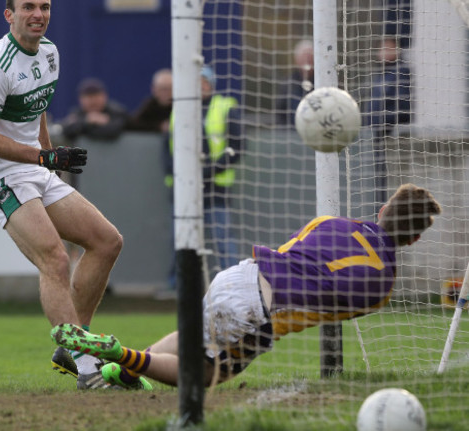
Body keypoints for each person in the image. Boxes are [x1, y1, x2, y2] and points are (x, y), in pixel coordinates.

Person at [52, 183, 441, 389]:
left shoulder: (331, 222)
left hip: (241, 273)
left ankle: (124, 375)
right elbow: (329, 303)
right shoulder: (382, 287)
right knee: (206, 376)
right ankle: (121, 354)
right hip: (261, 313)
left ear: (383, 209)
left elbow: (300, 247)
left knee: (194, 334)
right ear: (415, 239)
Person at [0, 0, 124, 390]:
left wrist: (48, 157)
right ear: (10, 15)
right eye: (29, 8)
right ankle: (87, 368)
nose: (38, 14)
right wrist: (42, 157)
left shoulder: (50, 52)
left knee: (107, 241)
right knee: (54, 259)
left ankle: (74, 346)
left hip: (34, 168)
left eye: (45, 7)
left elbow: (38, 107)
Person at [164, 65, 243, 286]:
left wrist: (210, 170)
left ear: (211, 85)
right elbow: (167, 147)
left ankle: (233, 283)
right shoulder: (179, 109)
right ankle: (177, 285)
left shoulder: (225, 107)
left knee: (222, 238)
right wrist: (176, 173)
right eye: (196, 82)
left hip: (215, 186)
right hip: (183, 188)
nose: (200, 87)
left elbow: (237, 146)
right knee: (180, 239)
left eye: (204, 82)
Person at [364, 37, 412, 214]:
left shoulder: (401, 72)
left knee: (386, 179)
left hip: (390, 137)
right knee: (375, 177)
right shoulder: (379, 74)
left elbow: (403, 106)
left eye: (388, 48)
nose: (383, 51)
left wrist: (385, 123)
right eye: (381, 48)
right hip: (374, 136)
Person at [60, 78, 128, 140]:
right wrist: (87, 121)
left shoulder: (116, 111)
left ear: (104, 96)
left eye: (96, 96)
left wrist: (85, 129)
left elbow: (113, 131)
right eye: (89, 97)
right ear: (80, 99)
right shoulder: (77, 113)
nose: (93, 101)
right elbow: (67, 130)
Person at [275, 39, 314, 126]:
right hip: (292, 134)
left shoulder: (322, 82)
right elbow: (280, 114)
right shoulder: (287, 85)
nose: (307, 60)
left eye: (310, 56)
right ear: (297, 60)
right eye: (304, 57)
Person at [126, 68, 173, 133]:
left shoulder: (181, 106)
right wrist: (159, 127)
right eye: (162, 89)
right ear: (154, 89)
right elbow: (134, 124)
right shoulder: (150, 105)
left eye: (170, 88)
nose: (166, 93)